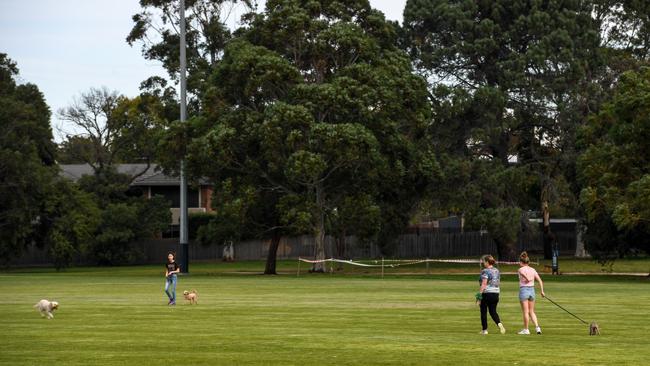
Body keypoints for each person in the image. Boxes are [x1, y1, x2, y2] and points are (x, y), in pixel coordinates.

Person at [476, 255, 506, 335]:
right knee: (493, 311)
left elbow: (484, 283)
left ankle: (484, 330)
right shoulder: (496, 270)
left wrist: (479, 296)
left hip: (487, 293)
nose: (483, 263)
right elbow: (498, 282)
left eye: (484, 261)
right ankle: (499, 323)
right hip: (496, 293)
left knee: (483, 311)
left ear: (487, 262)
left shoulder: (485, 271)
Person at [517, 251, 545, 334]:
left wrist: (526, 277)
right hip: (532, 291)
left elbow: (522, 273)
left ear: (521, 262)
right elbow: (540, 280)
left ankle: (526, 329)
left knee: (526, 312)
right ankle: (537, 328)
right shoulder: (533, 269)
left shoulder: (520, 269)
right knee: (532, 311)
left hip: (524, 290)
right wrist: (542, 291)